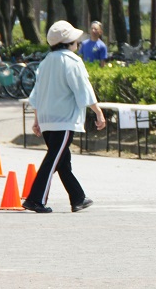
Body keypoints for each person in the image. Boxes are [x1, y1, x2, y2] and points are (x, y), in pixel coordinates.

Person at [23, 20, 105, 214]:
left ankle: (78, 198)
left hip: (47, 119)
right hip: (64, 119)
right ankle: (35, 199)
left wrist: (36, 119)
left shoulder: (45, 62)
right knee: (54, 159)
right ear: (69, 41)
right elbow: (83, 90)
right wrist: (98, 112)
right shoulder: (72, 61)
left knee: (62, 161)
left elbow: (37, 94)